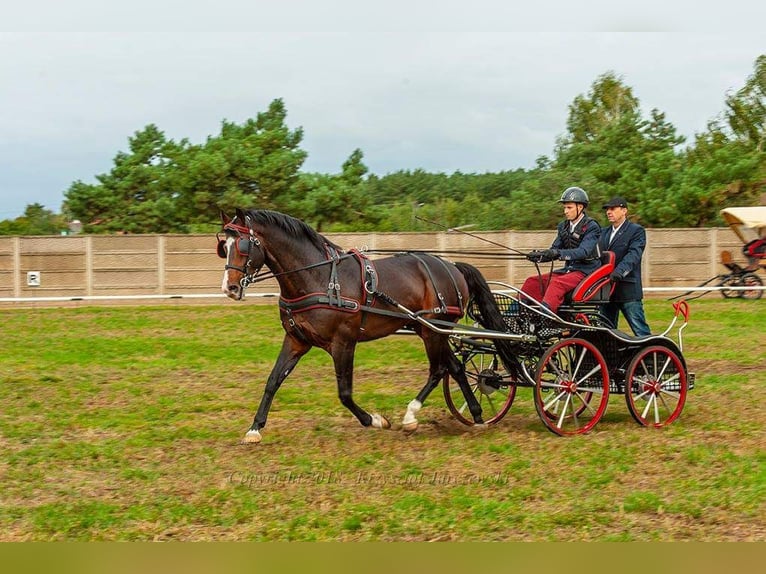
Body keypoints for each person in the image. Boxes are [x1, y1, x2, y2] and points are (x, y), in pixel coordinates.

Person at [522, 187, 601, 313]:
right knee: (532, 281)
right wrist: (541, 256)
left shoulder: (592, 227)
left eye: (569, 208)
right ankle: (514, 315)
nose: (565, 211)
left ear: (580, 207)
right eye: (564, 208)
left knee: (557, 283)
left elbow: (583, 252)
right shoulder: (563, 226)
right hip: (568, 270)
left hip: (586, 271)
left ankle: (546, 317)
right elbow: (555, 249)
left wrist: (558, 253)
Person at [598, 196, 651, 336]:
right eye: (607, 209)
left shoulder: (636, 231)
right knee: (606, 332)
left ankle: (651, 356)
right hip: (607, 291)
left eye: (613, 209)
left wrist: (619, 272)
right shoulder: (603, 233)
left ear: (624, 210)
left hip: (628, 290)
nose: (609, 212)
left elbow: (634, 255)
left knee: (640, 331)